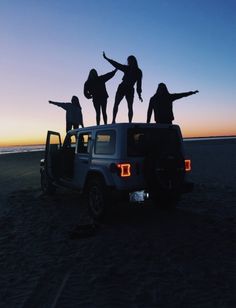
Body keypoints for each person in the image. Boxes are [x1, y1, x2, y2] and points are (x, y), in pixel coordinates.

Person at [103, 52, 143, 123]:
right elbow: (117, 64)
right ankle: (113, 120)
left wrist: (139, 94)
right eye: (128, 61)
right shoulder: (130, 69)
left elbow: (139, 84)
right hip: (123, 87)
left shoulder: (137, 71)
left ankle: (129, 121)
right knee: (117, 104)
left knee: (129, 106)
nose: (128, 62)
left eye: (129, 61)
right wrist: (107, 59)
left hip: (129, 89)